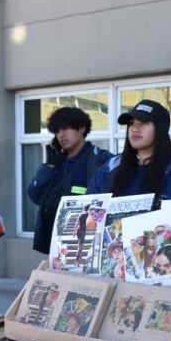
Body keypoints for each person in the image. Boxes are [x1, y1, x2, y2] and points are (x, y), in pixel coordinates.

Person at [26, 106, 112, 254]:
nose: (61, 135)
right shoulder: (57, 163)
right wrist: (49, 165)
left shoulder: (101, 160)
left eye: (65, 128)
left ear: (82, 128)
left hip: (87, 242)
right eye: (57, 131)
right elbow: (35, 195)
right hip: (55, 243)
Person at [88, 99, 171, 205]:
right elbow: (90, 217)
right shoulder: (108, 170)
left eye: (143, 122)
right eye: (131, 123)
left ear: (160, 130)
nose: (135, 128)